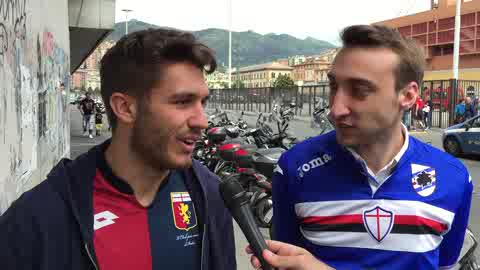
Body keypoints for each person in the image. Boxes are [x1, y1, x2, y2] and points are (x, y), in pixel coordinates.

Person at [0, 28, 236, 270]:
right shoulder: (36, 220)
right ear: (124, 108)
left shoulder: (211, 194)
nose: (202, 121)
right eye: (183, 102)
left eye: (202, 102)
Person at [264, 25, 473, 270]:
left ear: (407, 95)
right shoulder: (294, 167)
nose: (336, 109)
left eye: (359, 91)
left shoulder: (454, 178)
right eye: (334, 87)